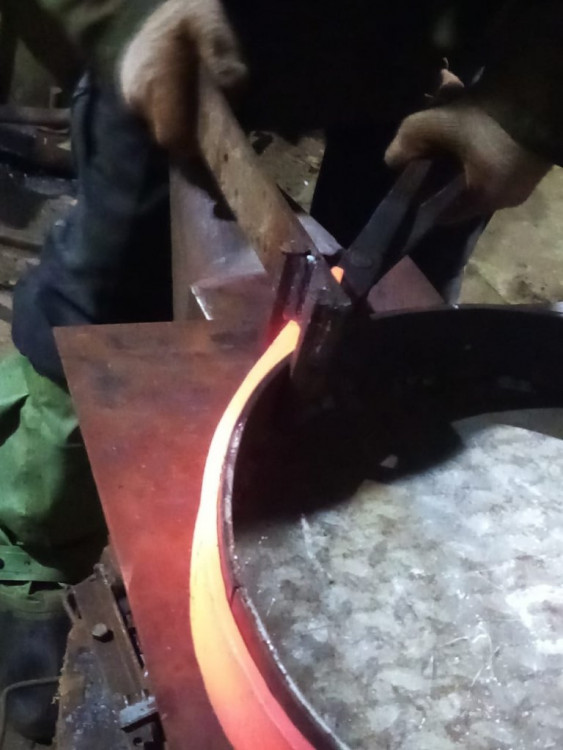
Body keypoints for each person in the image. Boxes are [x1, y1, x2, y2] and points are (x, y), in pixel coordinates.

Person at [0, 0, 560, 742]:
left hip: (424, 37)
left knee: (403, 309)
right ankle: (33, 558)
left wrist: (523, 105)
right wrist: (120, 20)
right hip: (177, 33)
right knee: (103, 292)